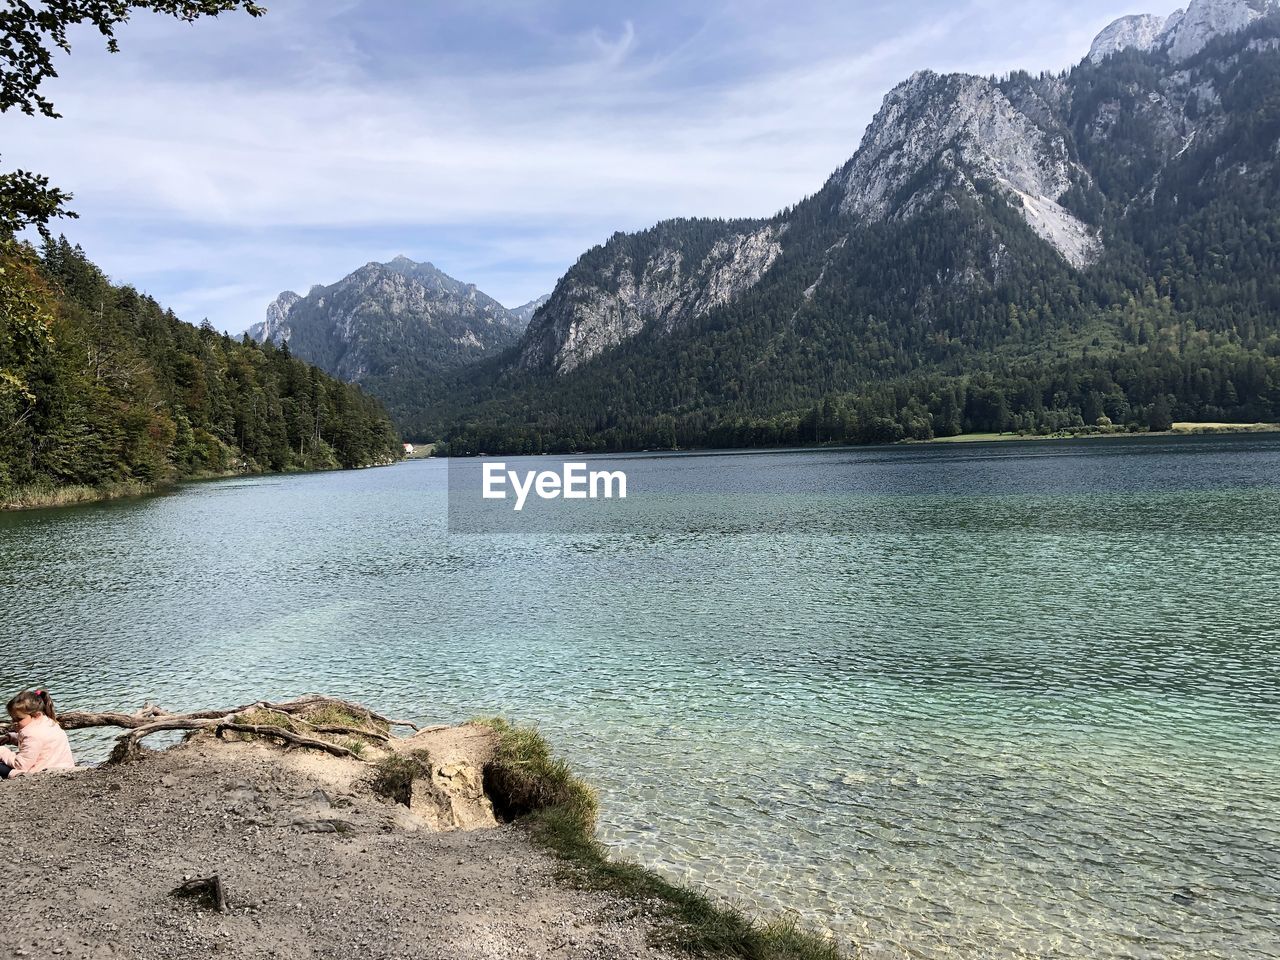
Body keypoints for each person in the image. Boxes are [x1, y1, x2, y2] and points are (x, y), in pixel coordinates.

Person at [0, 689, 75, 779]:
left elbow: (21, 765)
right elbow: (34, 744)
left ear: (36, 715)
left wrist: (2, 751)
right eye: (13, 718)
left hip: (42, 774)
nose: (14, 722)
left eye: (19, 719)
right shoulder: (48, 722)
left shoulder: (32, 734)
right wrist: (10, 738)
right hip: (63, 767)